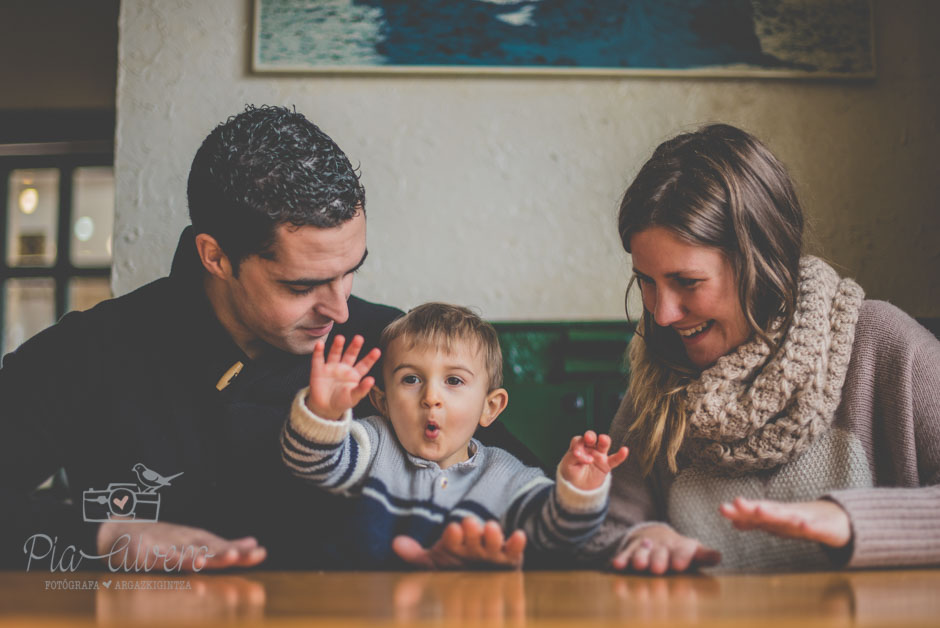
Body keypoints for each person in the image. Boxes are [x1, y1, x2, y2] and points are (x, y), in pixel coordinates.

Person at [0, 106, 530, 570]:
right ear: (216, 257)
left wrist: (464, 549)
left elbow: (520, 489)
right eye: (301, 286)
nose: (340, 308)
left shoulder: (390, 346)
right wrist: (104, 537)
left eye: (350, 271)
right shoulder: (92, 351)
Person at [583, 123, 940, 573]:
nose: (662, 314)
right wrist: (641, 538)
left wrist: (848, 520)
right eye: (646, 283)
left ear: (761, 260)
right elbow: (601, 529)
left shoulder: (881, 344)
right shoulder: (659, 375)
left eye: (687, 282)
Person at [281, 303, 629, 567]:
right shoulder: (373, 444)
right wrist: (323, 412)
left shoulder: (508, 477)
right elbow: (313, 463)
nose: (431, 397)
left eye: (454, 381)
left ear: (490, 407)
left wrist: (580, 490)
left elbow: (559, 535)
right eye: (411, 379)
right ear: (382, 402)